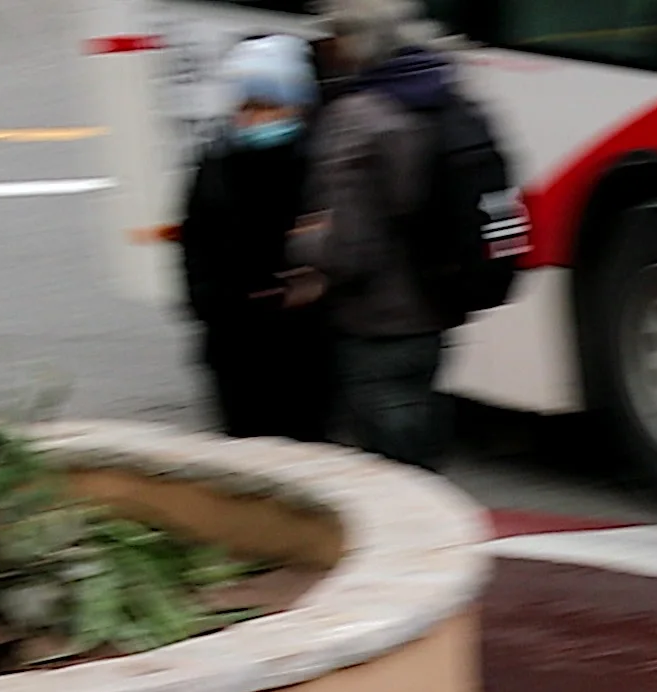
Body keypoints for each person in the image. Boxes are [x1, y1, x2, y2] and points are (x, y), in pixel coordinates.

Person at [285, 0, 462, 468]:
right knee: (423, 443)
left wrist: (304, 242)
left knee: (390, 468)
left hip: (377, 323)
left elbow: (350, 249)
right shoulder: (441, 95)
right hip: (433, 312)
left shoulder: (356, 120)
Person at [176, 35, 334, 441]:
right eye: (247, 106)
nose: (253, 118)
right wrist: (211, 305)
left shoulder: (318, 163)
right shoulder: (217, 163)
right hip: (235, 343)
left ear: (296, 104)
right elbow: (195, 246)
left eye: (266, 105)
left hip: (303, 346)